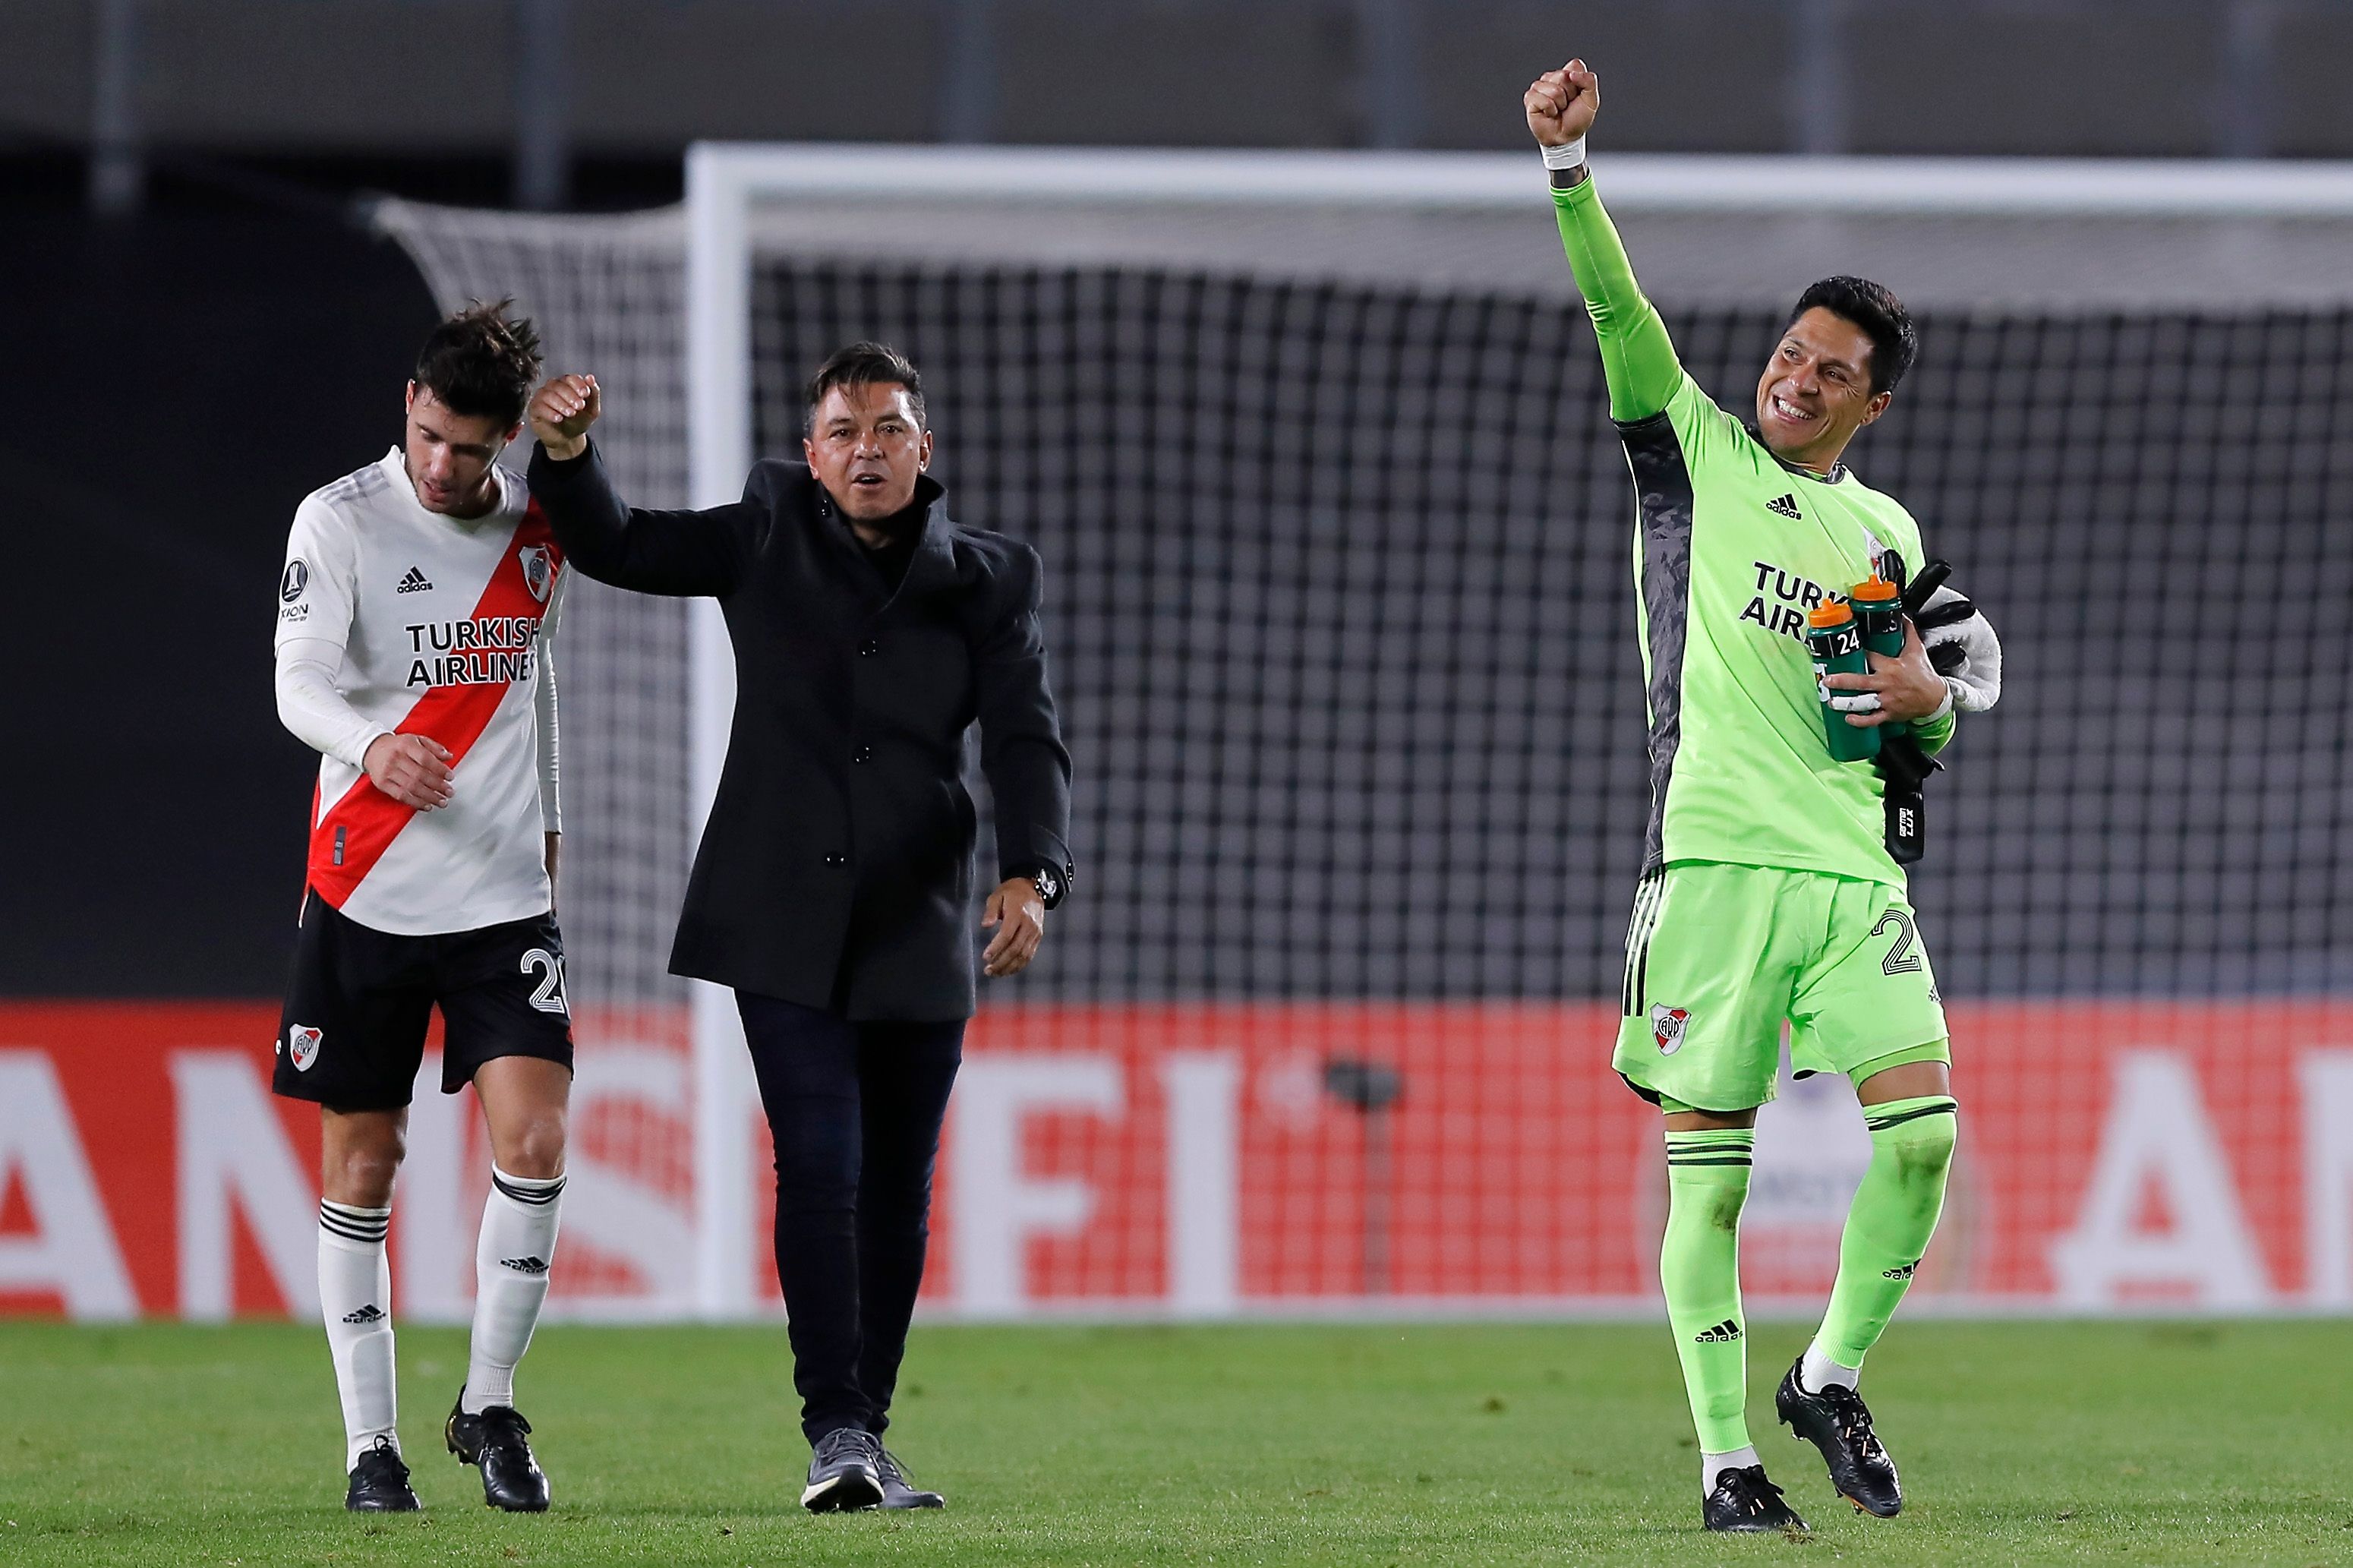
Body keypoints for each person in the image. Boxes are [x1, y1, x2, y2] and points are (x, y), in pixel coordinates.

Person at [1524, 58, 2004, 1532]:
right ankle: (1727, 1461)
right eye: (1789, 351)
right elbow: (1619, 313)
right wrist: (1568, 168)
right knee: (1710, 1185)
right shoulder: (1690, 456)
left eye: (1827, 370)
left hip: (1852, 874)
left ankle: (1828, 1374)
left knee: (1919, 1136)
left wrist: (1935, 697)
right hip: (1715, 864)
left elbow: (1944, 673)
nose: (1792, 375)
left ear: (1867, 401)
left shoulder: (1879, 526)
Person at [525, 341, 1074, 1513]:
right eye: (842, 432)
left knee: (899, 1191)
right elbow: (619, 541)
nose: (864, 450)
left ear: (926, 449)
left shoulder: (990, 579)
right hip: (780, 918)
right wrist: (567, 457)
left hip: (920, 922)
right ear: (812, 455)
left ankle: (865, 1430)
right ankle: (834, 1429)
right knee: (820, 1162)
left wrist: (1034, 872)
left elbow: (1025, 739)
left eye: (887, 429)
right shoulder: (767, 527)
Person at [272, 301, 576, 1513]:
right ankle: (369, 1448)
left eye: (471, 446)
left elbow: (532, 677)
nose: (445, 465)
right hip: (365, 888)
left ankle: (491, 1403)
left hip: (502, 893)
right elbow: (296, 682)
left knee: (538, 1141)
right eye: (431, 435)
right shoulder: (337, 518)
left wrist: (553, 813)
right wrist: (374, 743)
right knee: (366, 1157)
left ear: (506, 439)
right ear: (410, 403)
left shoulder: (533, 533)